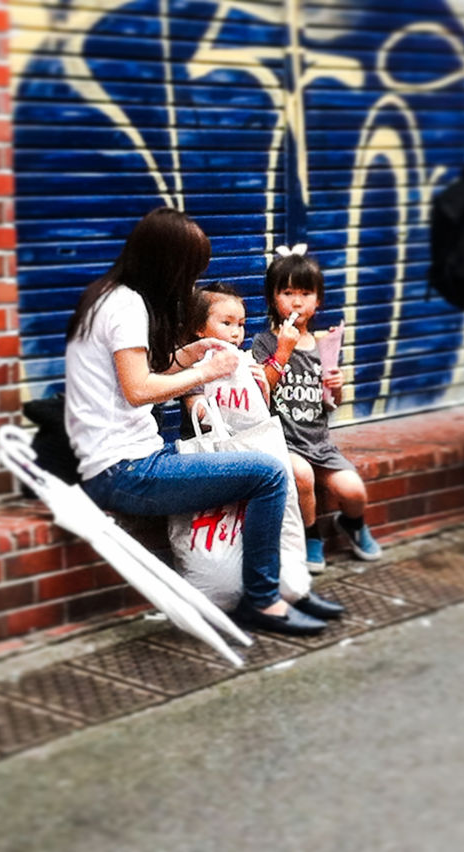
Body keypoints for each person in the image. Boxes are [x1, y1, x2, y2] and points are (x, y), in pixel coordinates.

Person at [63, 207, 342, 637]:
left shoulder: (107, 296)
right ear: (167, 263)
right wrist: (205, 372)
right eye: (190, 270)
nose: (189, 283)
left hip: (126, 460)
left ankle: (289, 590)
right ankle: (264, 602)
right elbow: (139, 390)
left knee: (258, 464)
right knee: (268, 473)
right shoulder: (127, 306)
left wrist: (185, 358)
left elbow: (130, 384)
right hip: (126, 471)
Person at [251, 248, 383, 571]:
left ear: (318, 300)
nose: (297, 302)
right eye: (288, 292)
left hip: (319, 443)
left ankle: (352, 525)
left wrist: (336, 385)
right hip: (284, 442)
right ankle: (311, 536)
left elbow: (330, 403)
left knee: (353, 490)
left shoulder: (324, 345)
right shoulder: (264, 343)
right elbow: (260, 393)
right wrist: (283, 351)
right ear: (272, 298)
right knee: (302, 474)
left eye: (306, 293)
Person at [178, 283, 270, 440]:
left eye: (241, 324)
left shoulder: (245, 363)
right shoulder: (195, 365)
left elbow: (259, 415)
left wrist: (263, 390)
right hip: (207, 447)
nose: (236, 333)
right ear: (199, 328)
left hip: (242, 442)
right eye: (227, 323)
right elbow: (201, 415)